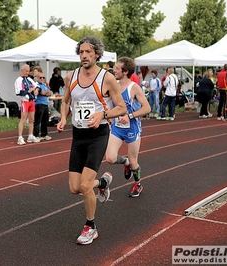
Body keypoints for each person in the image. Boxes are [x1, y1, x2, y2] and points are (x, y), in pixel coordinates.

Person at [57, 36, 126, 245]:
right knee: (74, 188)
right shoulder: (71, 76)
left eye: (88, 52)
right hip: (78, 135)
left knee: (86, 186)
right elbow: (65, 101)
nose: (84, 55)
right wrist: (62, 117)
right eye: (81, 52)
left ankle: (90, 227)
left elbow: (121, 107)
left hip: (98, 134)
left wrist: (102, 115)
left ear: (97, 54)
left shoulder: (107, 78)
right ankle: (103, 182)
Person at [105, 57, 151, 198]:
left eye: (117, 68)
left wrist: (130, 116)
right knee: (110, 158)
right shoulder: (113, 85)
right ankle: (124, 162)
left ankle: (137, 183)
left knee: (133, 161)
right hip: (117, 128)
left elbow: (147, 108)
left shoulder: (134, 88)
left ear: (125, 72)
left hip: (132, 128)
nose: (114, 70)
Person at [14, 64, 40, 145]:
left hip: (32, 101)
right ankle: (20, 137)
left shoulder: (29, 79)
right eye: (26, 71)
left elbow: (37, 86)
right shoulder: (18, 80)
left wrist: (36, 90)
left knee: (32, 119)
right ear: (22, 70)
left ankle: (30, 135)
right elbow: (18, 92)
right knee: (23, 119)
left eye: (28, 71)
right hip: (25, 101)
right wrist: (28, 91)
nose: (27, 73)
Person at [34, 73, 52, 140]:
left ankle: (44, 134)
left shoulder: (44, 85)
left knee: (45, 120)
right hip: (39, 104)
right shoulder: (37, 85)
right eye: (40, 77)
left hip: (45, 104)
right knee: (38, 120)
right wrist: (45, 92)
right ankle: (35, 135)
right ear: (37, 78)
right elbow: (42, 92)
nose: (42, 79)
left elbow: (49, 93)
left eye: (43, 77)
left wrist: (46, 92)